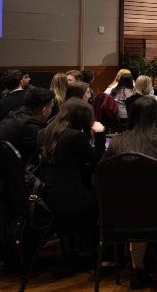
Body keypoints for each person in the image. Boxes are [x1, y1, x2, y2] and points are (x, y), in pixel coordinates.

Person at [102, 96, 157, 287]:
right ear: (156, 116)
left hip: (123, 214)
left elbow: (100, 176)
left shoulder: (117, 142)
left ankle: (137, 269)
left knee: (137, 207)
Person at [37, 98, 106, 241]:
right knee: (103, 198)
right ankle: (94, 243)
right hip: (70, 199)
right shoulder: (75, 136)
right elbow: (97, 159)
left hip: (46, 195)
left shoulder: (44, 132)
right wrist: (100, 134)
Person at [0, 87, 55, 166]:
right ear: (44, 111)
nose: (51, 110)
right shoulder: (29, 127)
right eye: (51, 107)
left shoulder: (15, 114)